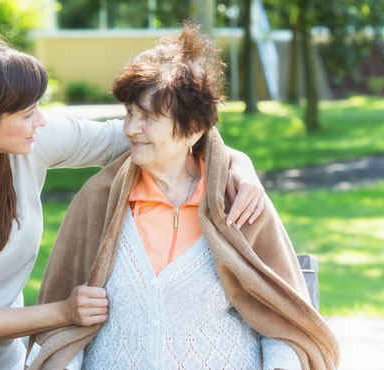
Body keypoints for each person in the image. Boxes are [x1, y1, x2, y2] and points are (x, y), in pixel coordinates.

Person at [0, 34, 266, 370]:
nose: (41, 122)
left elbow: (157, 137)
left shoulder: (27, 143)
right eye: (28, 113)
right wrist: (64, 312)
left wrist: (236, 164)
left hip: (3, 358)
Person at [27, 24, 340, 370]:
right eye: (130, 112)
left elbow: (284, 322)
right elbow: (61, 329)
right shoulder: (97, 200)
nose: (131, 128)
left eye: (149, 117)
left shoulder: (236, 201)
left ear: (193, 129)